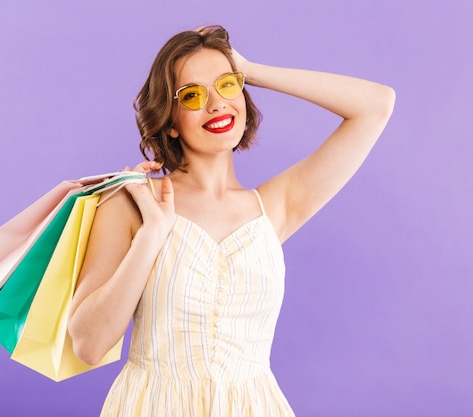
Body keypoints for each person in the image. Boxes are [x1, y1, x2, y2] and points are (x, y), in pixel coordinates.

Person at [67, 25, 395, 416]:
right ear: (170, 122)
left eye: (226, 86)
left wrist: (249, 69)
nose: (217, 104)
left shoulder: (274, 206)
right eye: (192, 95)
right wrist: (152, 234)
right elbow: (88, 345)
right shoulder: (132, 203)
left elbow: (376, 105)